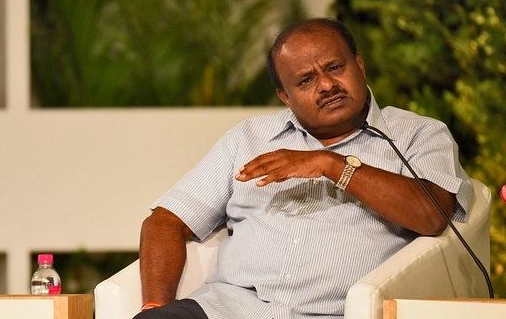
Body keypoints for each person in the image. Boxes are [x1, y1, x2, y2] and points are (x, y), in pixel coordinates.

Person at [133, 17, 473, 319]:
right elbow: (165, 221)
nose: (326, 85)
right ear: (285, 96)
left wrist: (330, 165)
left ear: (359, 65)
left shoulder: (417, 133)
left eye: (335, 68)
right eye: (306, 80)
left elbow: (431, 214)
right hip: (228, 308)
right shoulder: (249, 138)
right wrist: (156, 308)